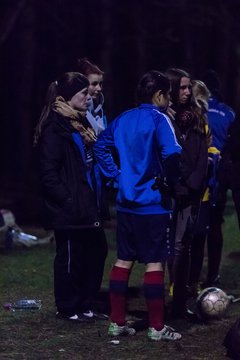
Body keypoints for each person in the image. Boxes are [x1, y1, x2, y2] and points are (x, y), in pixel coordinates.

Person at [94, 70, 182, 341]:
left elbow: (100, 146)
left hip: (126, 205)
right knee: (155, 263)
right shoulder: (160, 119)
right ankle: (156, 328)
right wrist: (170, 183)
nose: (170, 99)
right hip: (153, 205)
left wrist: (117, 177)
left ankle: (116, 322)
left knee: (124, 260)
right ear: (159, 96)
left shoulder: (123, 118)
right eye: (168, 94)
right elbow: (172, 154)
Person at [34, 72, 108, 321]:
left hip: (86, 200)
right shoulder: (55, 126)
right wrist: (66, 199)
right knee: (69, 256)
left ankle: (86, 303)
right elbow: (48, 172)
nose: (89, 98)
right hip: (69, 205)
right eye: (83, 94)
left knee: (95, 251)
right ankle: (68, 307)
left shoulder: (80, 122)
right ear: (67, 97)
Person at [165, 69, 209, 318]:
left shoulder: (195, 117)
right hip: (171, 191)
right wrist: (176, 184)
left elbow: (201, 155)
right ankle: (164, 302)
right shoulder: (164, 118)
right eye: (181, 87)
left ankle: (180, 301)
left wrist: (193, 184)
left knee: (184, 246)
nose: (186, 91)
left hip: (189, 192)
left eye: (187, 87)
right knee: (168, 247)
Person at [201, 70, 236, 287]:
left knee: (189, 232)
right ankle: (213, 275)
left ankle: (184, 281)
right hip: (219, 179)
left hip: (197, 178)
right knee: (215, 226)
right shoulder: (229, 113)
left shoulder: (195, 111)